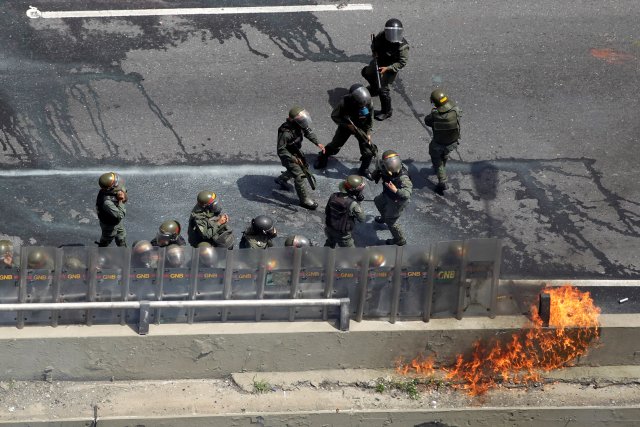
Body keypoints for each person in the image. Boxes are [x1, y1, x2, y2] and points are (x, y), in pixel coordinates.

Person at [314, 84, 376, 180]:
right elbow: (335, 116)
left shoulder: (368, 102)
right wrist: (347, 125)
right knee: (335, 145)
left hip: (361, 127)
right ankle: (322, 157)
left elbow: (370, 118)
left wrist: (368, 132)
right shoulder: (344, 102)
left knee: (368, 150)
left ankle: (364, 169)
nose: (363, 105)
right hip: (346, 126)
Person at [275, 106, 325, 210]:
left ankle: (281, 179)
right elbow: (281, 150)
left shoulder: (300, 124)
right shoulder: (286, 133)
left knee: (301, 168)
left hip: (296, 151)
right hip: (288, 155)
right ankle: (304, 200)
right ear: (293, 120)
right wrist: (293, 158)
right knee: (300, 176)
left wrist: (318, 143)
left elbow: (308, 132)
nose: (304, 122)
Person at [361, 18, 410, 121]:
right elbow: (375, 45)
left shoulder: (402, 46)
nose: (393, 36)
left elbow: (402, 62)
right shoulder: (382, 36)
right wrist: (374, 52)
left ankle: (387, 111)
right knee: (366, 72)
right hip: (379, 61)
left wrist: (387, 68)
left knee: (383, 89)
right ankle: (374, 89)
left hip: (390, 67)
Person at [424, 89, 462, 194]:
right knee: (445, 154)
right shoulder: (456, 111)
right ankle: (443, 164)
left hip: (438, 144)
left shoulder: (435, 115)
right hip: (452, 142)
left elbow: (427, 121)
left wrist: (435, 111)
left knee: (436, 160)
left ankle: (442, 181)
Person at [371, 150, 413, 246]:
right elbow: (374, 176)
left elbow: (406, 194)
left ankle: (400, 239)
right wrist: (377, 172)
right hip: (388, 194)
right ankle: (384, 217)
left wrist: (395, 190)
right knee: (378, 201)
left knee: (391, 221)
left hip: (397, 200)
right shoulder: (384, 166)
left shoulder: (403, 177)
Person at [324, 175, 367, 248]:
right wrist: (358, 203)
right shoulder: (353, 204)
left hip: (329, 228)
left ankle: (324, 256)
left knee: (329, 243)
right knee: (350, 252)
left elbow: (326, 211)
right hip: (343, 235)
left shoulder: (333, 196)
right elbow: (362, 219)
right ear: (355, 191)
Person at [96, 172, 128, 247]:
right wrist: (120, 200)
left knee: (121, 236)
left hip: (116, 221)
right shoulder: (106, 202)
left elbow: (124, 193)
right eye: (116, 184)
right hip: (109, 224)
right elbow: (120, 215)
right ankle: (101, 252)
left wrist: (123, 195)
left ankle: (123, 252)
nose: (119, 185)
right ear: (110, 189)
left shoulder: (111, 190)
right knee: (107, 238)